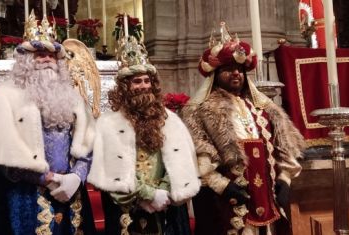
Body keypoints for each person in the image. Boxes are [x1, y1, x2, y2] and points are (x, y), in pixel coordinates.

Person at [0, 13, 96, 235]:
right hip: (25, 195)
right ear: (26, 60)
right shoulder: (4, 97)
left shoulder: (73, 98)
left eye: (51, 56)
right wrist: (48, 179)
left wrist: (76, 176)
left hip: (70, 193)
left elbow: (89, 142)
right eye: (40, 55)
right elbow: (0, 152)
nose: (47, 60)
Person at [181, 23, 305, 235]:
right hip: (227, 201)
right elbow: (199, 156)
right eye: (228, 69)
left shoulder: (264, 109)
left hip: (267, 198)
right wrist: (222, 186)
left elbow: (285, 146)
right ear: (215, 75)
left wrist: (284, 179)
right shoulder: (201, 111)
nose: (236, 73)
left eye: (240, 69)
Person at [87, 36, 201, 235]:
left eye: (147, 80)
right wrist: (147, 195)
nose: (143, 86)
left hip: (167, 207)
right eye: (136, 81)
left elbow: (181, 160)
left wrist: (163, 193)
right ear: (125, 87)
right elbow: (111, 166)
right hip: (127, 208)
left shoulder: (171, 120)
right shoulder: (109, 123)